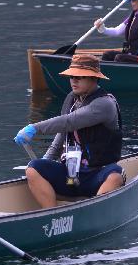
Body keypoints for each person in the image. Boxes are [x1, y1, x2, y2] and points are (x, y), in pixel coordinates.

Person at [15, 54, 124, 208]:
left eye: (79, 77)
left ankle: (94, 212)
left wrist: (35, 128)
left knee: (115, 176)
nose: (74, 80)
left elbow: (69, 121)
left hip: (97, 174)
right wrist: (46, 161)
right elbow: (62, 134)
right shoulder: (71, 99)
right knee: (34, 168)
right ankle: (52, 214)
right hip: (71, 175)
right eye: (72, 76)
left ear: (93, 78)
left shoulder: (104, 104)